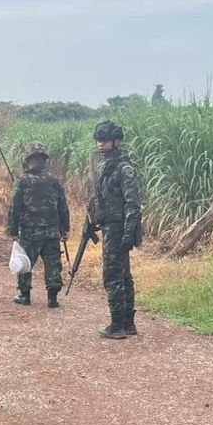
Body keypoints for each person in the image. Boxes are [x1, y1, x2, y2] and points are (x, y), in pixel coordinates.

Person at [89, 120, 142, 339]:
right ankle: (127, 323)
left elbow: (132, 204)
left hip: (119, 229)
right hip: (110, 226)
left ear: (117, 142)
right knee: (123, 275)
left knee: (113, 276)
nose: (101, 144)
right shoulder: (107, 166)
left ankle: (118, 324)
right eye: (99, 140)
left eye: (105, 140)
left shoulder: (124, 169)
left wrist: (128, 234)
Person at [7, 141, 70, 308]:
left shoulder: (22, 181)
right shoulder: (54, 180)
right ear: (44, 160)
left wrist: (13, 230)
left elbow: (15, 207)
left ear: (28, 160)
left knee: (25, 262)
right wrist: (65, 229)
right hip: (52, 231)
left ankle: (25, 295)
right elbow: (63, 206)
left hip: (30, 231)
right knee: (53, 263)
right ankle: (52, 298)